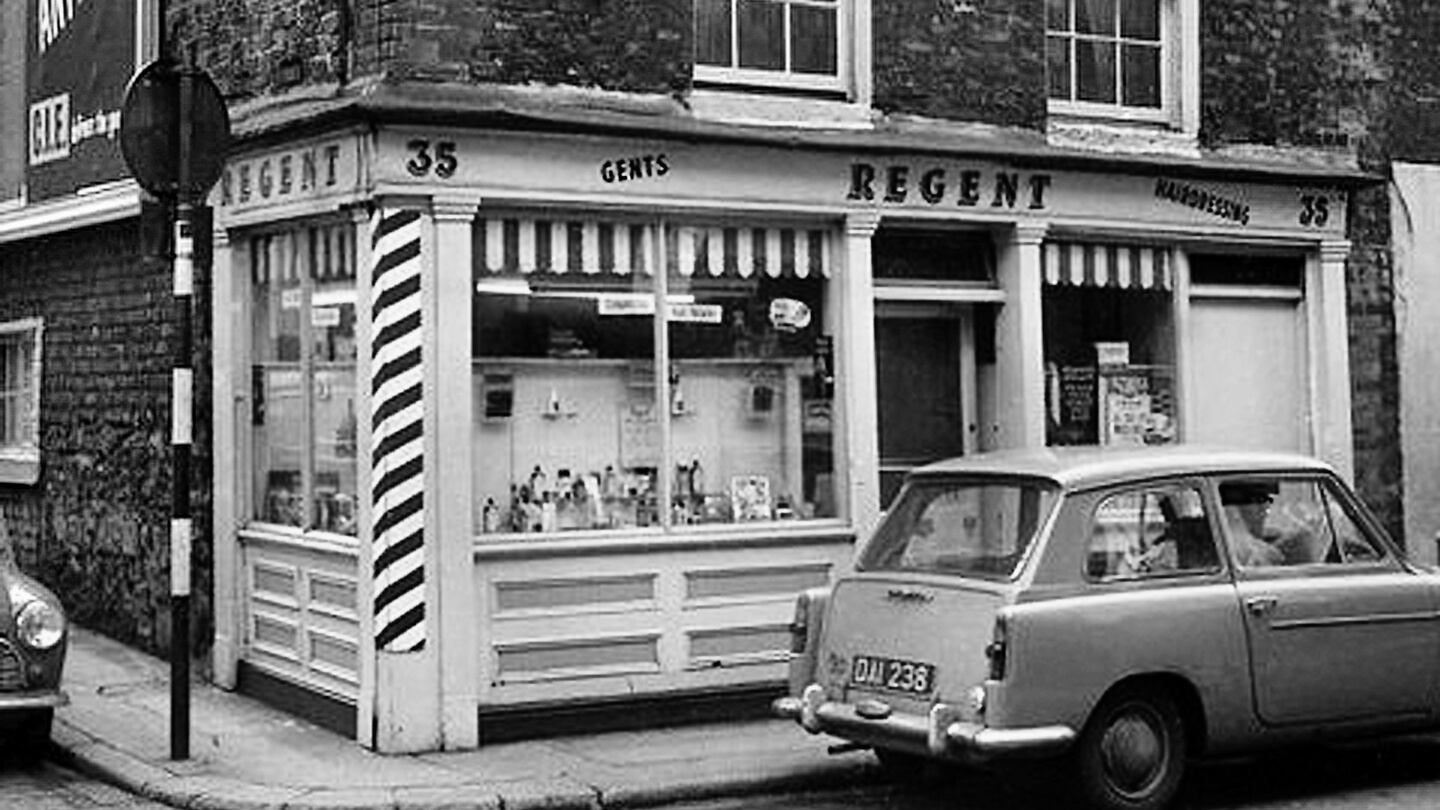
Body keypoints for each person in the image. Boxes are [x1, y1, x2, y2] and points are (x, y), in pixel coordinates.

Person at [1220, 481, 1285, 567]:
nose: (1265, 509)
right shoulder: (1252, 553)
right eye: (1258, 500)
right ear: (1234, 506)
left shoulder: (1220, 533)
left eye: (1268, 500)